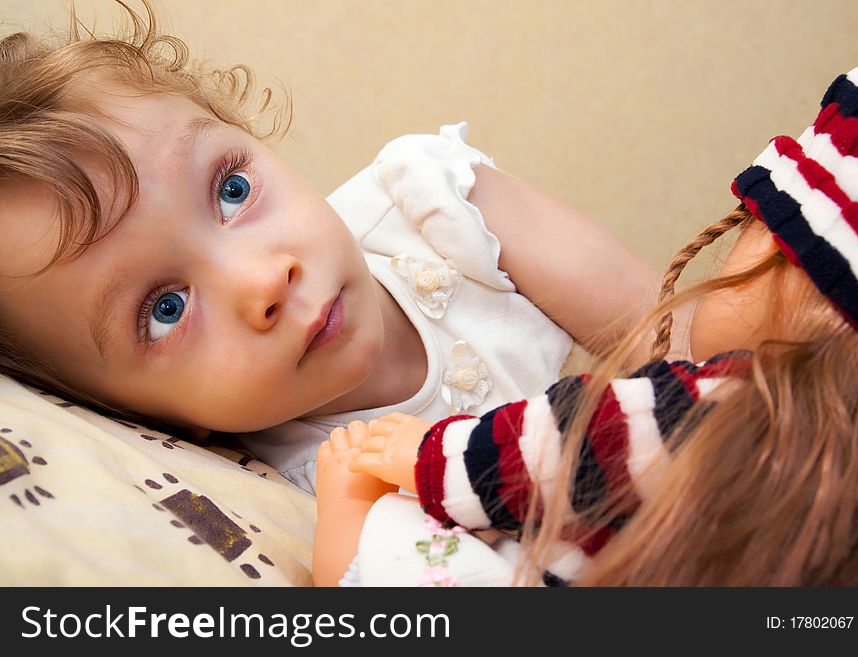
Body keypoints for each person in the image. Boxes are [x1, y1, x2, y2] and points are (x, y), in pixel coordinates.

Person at [0, 2, 662, 496]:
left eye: (231, 190)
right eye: (165, 307)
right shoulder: (304, 497)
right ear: (136, 414)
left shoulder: (433, 208)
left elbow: (674, 326)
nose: (264, 280)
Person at [313, 52, 858, 587]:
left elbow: (573, 442)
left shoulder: (729, 408)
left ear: (814, 288)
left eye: (753, 225)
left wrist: (425, 459)